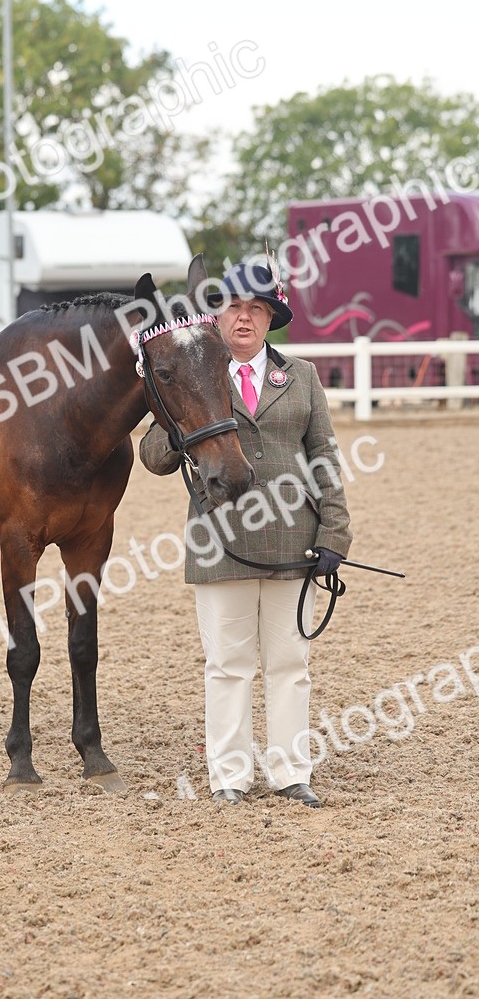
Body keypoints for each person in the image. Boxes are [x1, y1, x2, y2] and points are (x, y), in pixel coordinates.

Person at [139, 261, 352, 808]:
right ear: (217, 315)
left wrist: (335, 533)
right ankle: (228, 776)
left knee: (289, 664)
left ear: (270, 318)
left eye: (257, 309)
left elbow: (325, 457)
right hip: (221, 542)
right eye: (234, 307)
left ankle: (291, 771)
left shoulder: (300, 376)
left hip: (293, 541)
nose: (244, 318)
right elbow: (153, 457)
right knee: (228, 665)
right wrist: (174, 422)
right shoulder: (191, 375)